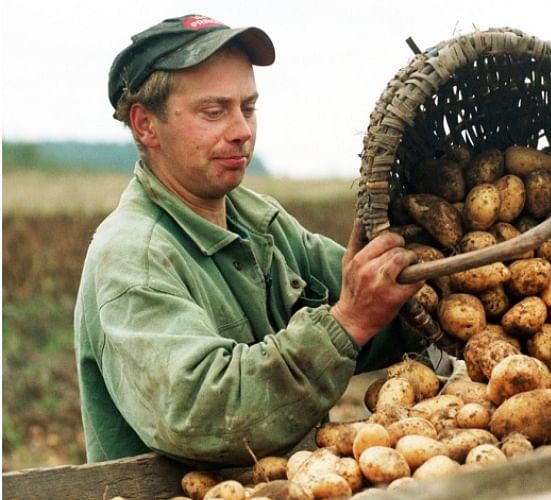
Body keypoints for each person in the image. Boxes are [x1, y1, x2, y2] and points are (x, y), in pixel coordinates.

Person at [74, 14, 427, 467]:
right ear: (146, 125)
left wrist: (433, 269)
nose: (241, 130)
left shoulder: (257, 219)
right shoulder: (132, 258)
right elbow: (204, 413)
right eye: (214, 111)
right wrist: (348, 321)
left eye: (248, 107)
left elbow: (377, 308)